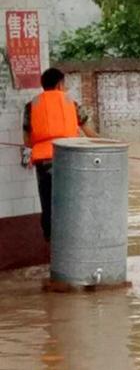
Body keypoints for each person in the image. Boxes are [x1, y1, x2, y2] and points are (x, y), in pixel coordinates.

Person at [22, 67, 98, 241]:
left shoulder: (31, 105)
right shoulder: (71, 103)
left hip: (43, 162)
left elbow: (27, 140)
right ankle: (73, 242)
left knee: (48, 203)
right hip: (69, 158)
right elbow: (90, 133)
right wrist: (109, 143)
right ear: (59, 84)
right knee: (71, 201)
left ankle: (50, 243)